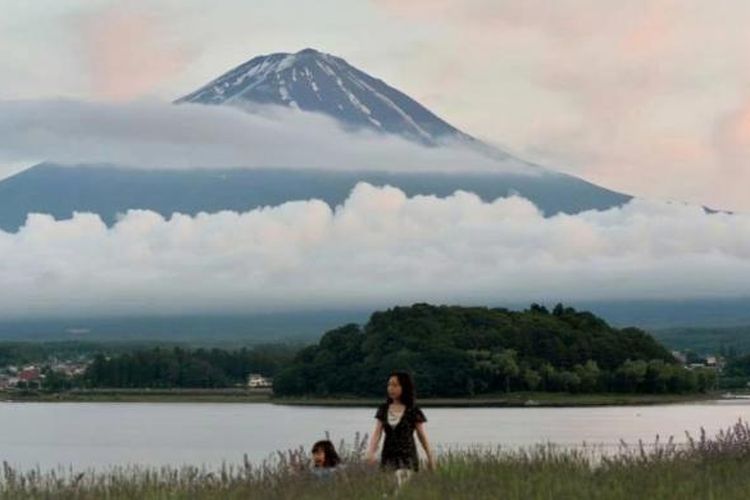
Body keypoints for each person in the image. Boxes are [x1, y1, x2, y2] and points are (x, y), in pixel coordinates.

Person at [366, 371, 435, 477]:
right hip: (388, 456)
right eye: (389, 385)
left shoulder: (413, 410)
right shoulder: (383, 409)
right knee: (389, 489)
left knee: (401, 482)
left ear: (404, 387)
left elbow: (422, 436)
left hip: (407, 457)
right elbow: (377, 433)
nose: (390, 388)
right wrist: (371, 452)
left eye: (395, 385)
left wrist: (430, 456)